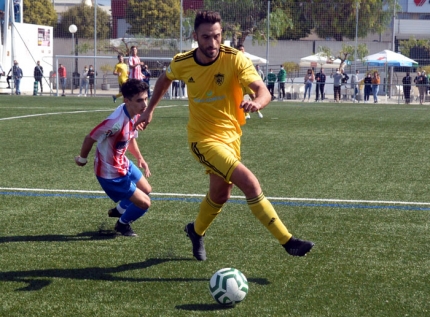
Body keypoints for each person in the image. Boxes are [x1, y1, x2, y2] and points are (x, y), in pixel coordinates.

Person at [134, 10, 314, 261]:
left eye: (217, 36)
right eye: (206, 37)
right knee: (249, 182)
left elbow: (262, 90)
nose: (212, 43)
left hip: (231, 138)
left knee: (221, 194)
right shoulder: (182, 62)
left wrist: (258, 103)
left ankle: (195, 232)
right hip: (203, 140)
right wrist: (150, 110)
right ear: (196, 37)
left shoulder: (235, 59)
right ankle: (288, 241)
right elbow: (164, 79)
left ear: (222, 36)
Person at [75, 79, 152, 237]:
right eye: (139, 100)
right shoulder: (114, 123)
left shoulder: (133, 113)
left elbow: (129, 138)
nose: (144, 104)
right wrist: (82, 159)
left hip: (122, 162)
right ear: (127, 101)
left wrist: (140, 158)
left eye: (146, 98)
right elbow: (90, 138)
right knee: (145, 203)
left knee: (147, 189)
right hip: (110, 173)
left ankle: (119, 210)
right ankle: (122, 225)